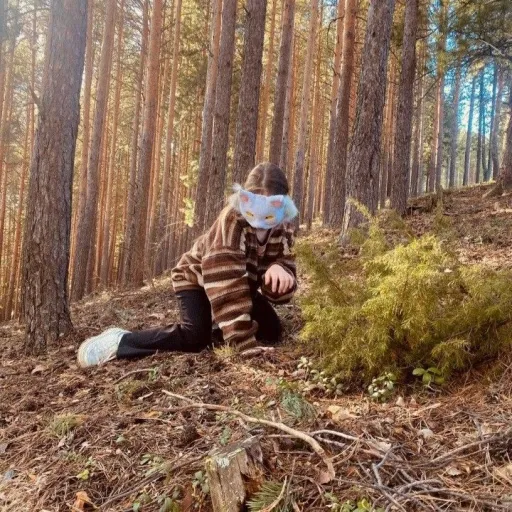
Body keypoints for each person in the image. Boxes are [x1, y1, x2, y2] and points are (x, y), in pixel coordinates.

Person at [77, 162, 298, 368]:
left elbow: (281, 295)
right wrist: (244, 346)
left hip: (241, 285)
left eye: (269, 212)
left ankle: (219, 325)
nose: (260, 222)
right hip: (196, 279)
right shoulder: (231, 223)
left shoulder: (284, 228)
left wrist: (278, 269)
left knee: (272, 330)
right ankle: (120, 341)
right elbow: (226, 288)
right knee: (194, 337)